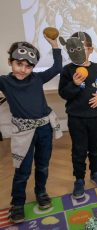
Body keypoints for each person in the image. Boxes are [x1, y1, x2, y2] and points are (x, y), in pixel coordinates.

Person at [0, 36, 62, 223]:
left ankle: (41, 192)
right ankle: (17, 203)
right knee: (23, 170)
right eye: (19, 64)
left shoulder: (37, 78)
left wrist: (54, 45)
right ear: (10, 61)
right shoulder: (4, 81)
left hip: (44, 129)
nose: (23, 70)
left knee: (43, 165)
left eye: (28, 66)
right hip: (23, 133)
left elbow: (57, 68)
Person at [58, 32, 97, 199]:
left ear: (90, 49)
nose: (78, 52)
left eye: (82, 48)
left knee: (96, 148)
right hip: (76, 118)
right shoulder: (67, 70)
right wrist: (74, 84)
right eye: (74, 49)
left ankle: (96, 172)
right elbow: (63, 93)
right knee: (79, 150)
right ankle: (79, 179)